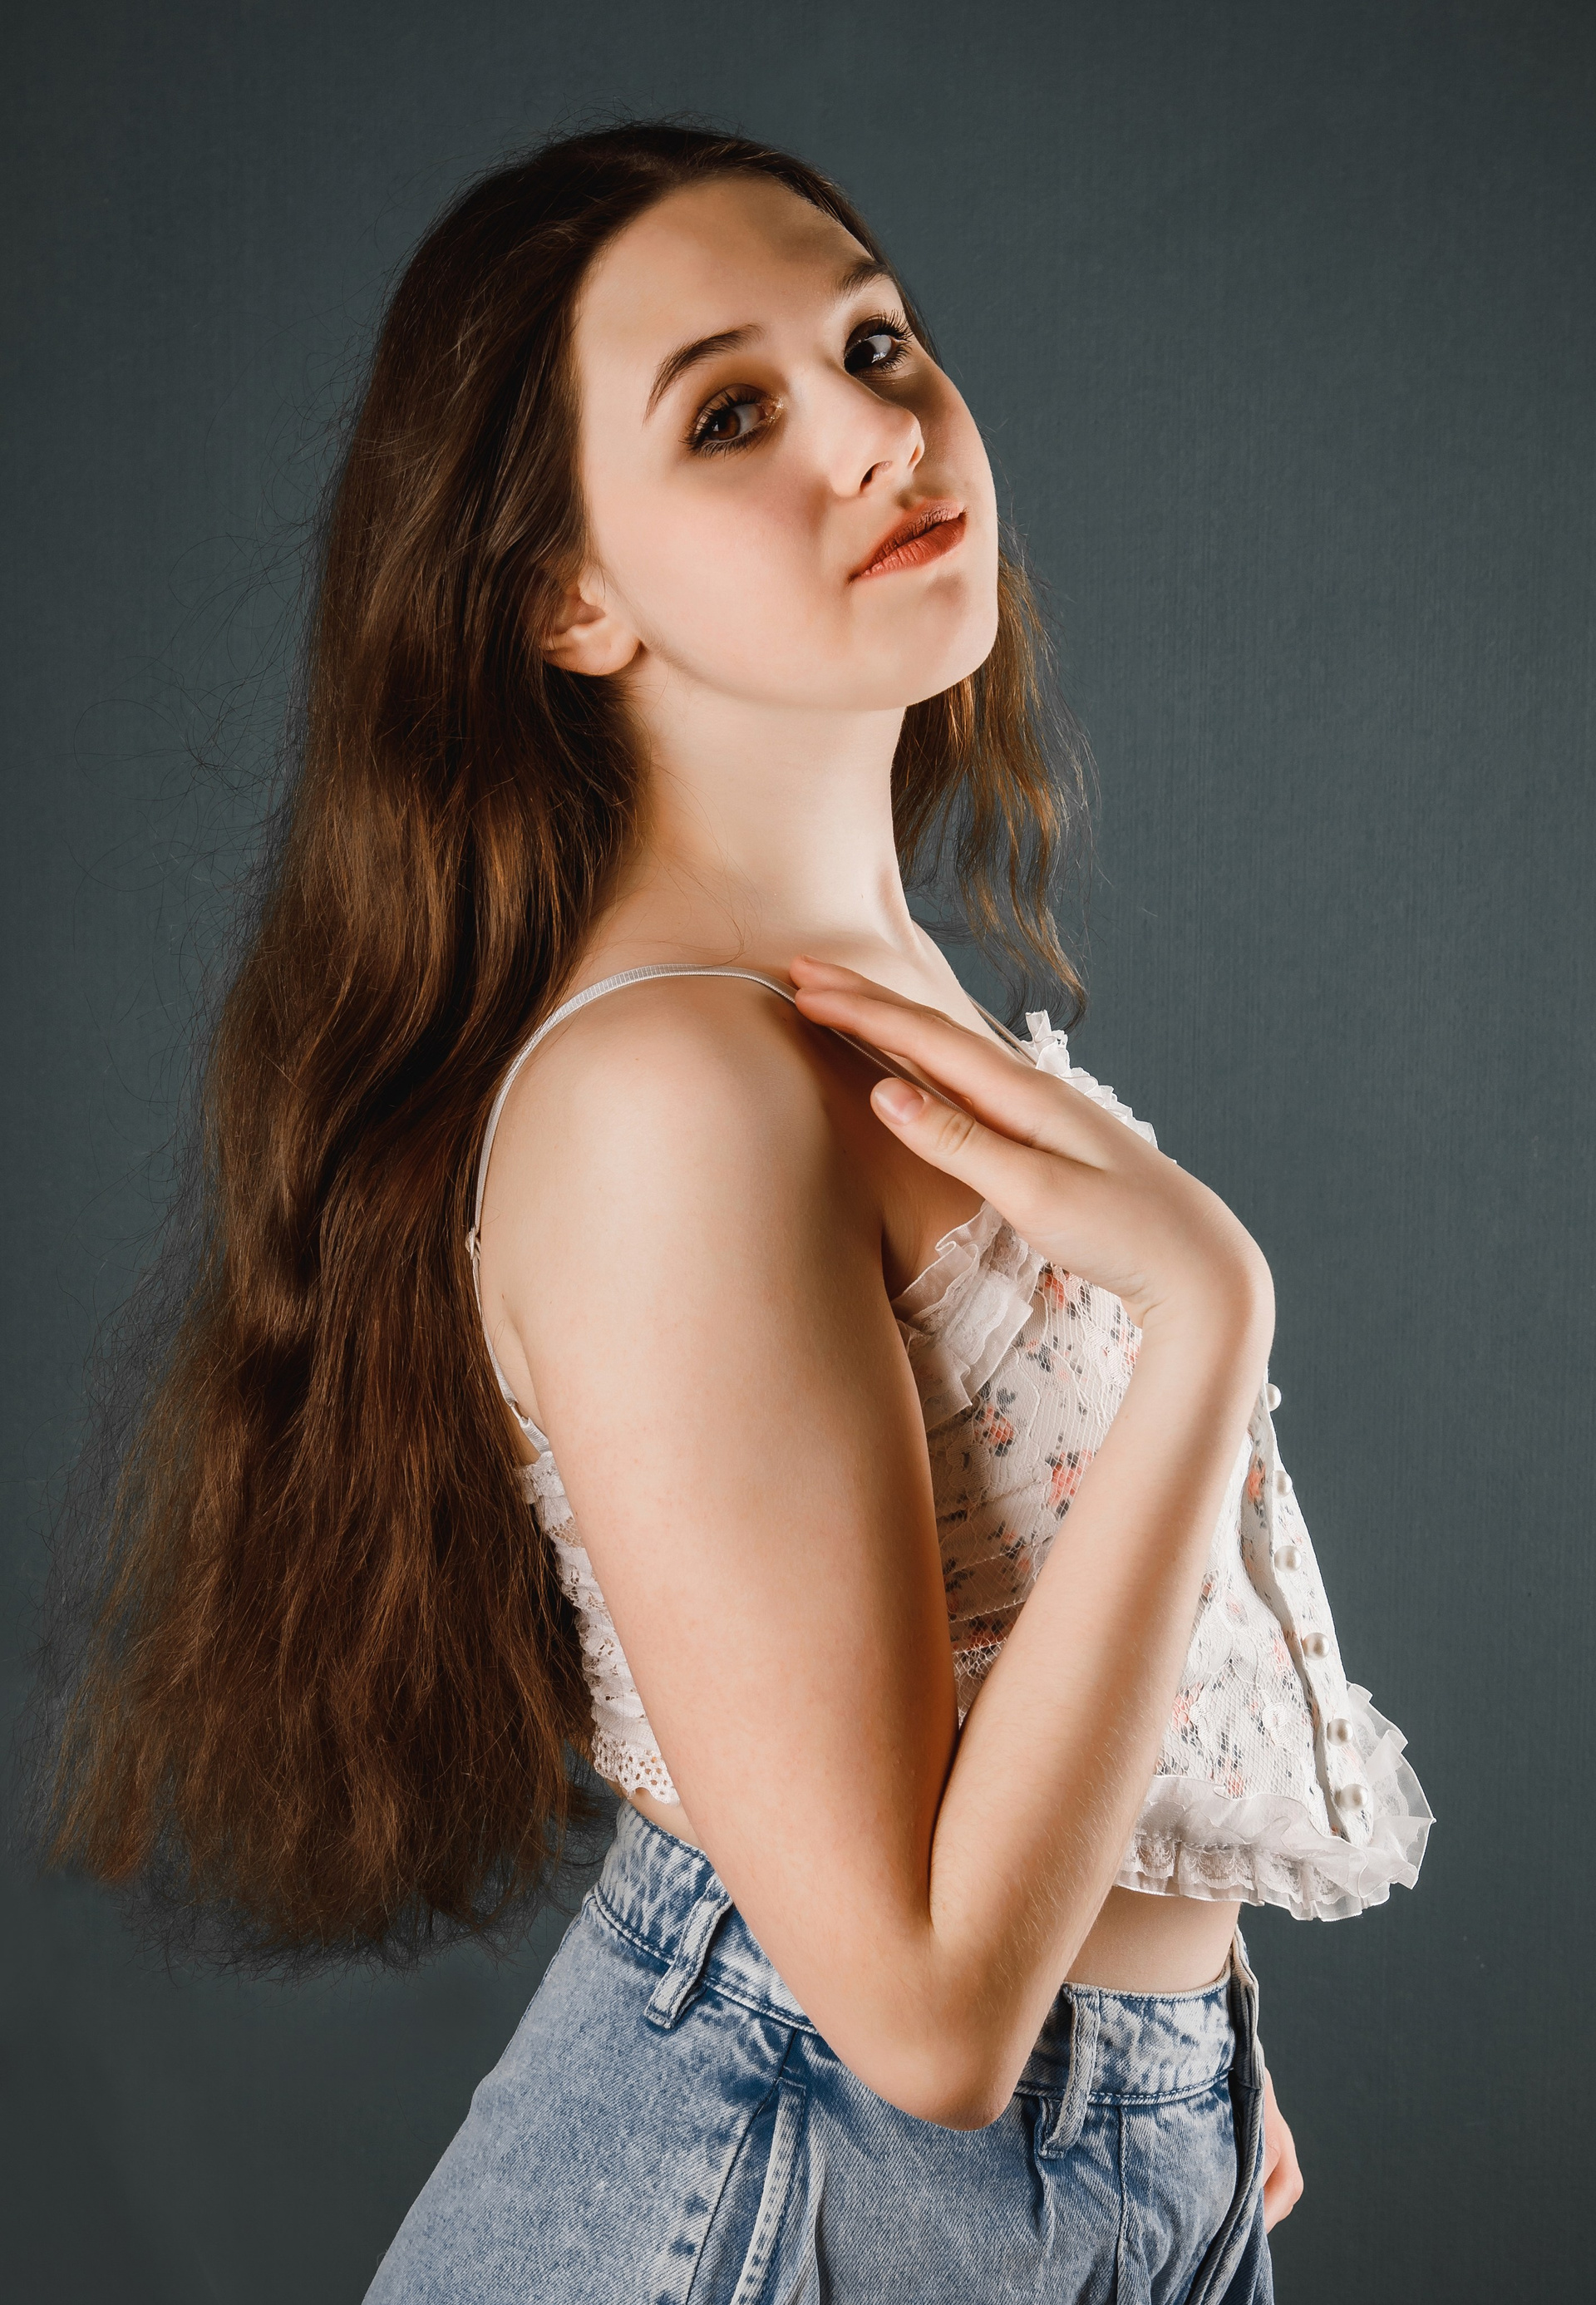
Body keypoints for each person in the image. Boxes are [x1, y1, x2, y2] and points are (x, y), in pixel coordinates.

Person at [39, 125, 1431, 2302]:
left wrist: (1185, 2032)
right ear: (568, 596)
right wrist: (1207, 1320)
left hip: (1090, 2166)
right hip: (794, 2205)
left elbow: (1005, 1649)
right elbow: (921, 2022)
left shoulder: (853, 986)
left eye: (875, 344)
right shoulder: (672, 1090)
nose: (880, 432)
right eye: (728, 414)